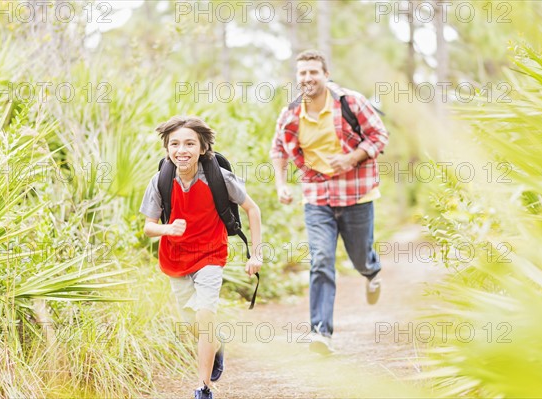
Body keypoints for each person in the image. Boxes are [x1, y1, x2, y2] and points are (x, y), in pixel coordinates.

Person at [270, 50, 389, 355]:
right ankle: (321, 333)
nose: (308, 78)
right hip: (317, 197)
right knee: (321, 259)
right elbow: (278, 150)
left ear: (325, 74)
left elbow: (379, 136)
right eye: (302, 73)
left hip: (356, 194)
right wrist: (281, 185)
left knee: (360, 256)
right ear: (297, 78)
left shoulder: (350, 102)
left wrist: (350, 158)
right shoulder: (291, 113)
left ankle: (371, 270)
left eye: (313, 72)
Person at [140, 116, 262, 399]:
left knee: (205, 317)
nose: (182, 150)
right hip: (175, 259)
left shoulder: (220, 178)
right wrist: (167, 228)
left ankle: (203, 387)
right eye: (175, 144)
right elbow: (148, 227)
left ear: (203, 148)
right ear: (167, 148)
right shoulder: (160, 180)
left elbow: (252, 209)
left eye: (189, 143)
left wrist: (256, 254)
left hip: (210, 255)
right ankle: (216, 345)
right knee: (192, 324)